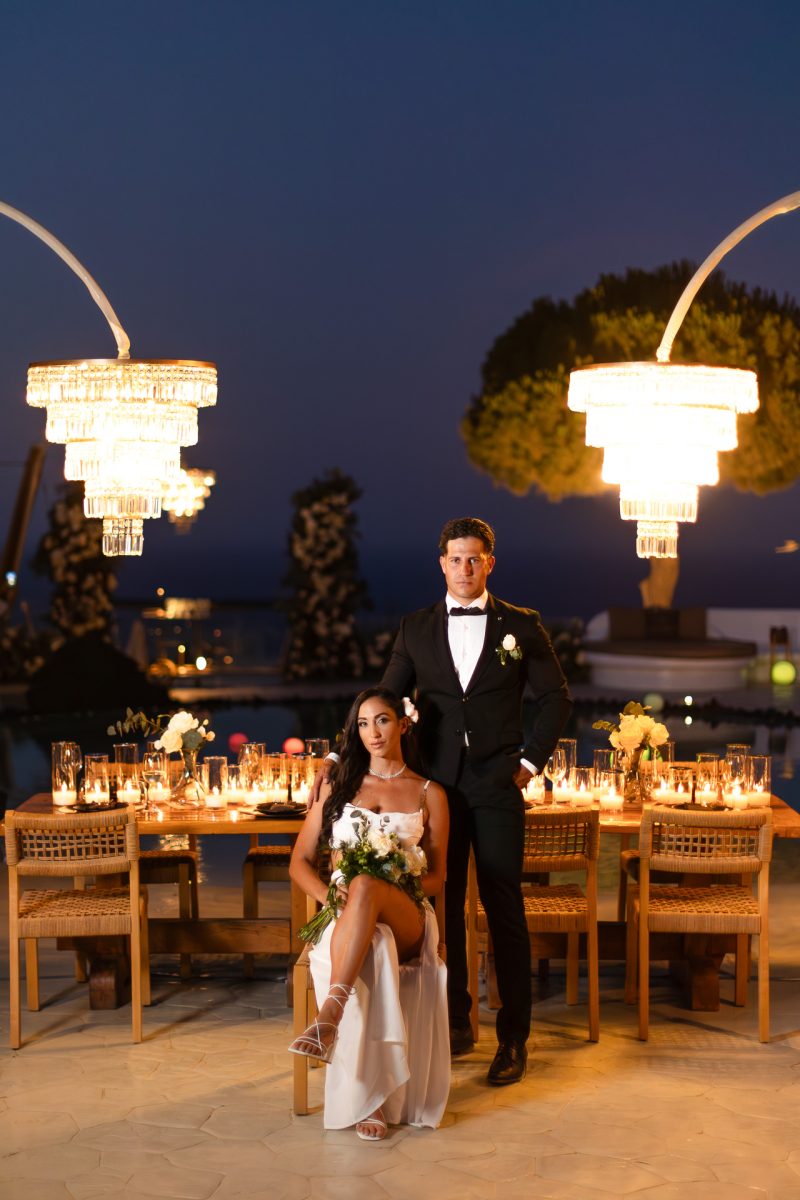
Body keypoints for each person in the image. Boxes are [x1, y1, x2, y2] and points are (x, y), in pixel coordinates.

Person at [381, 516, 572, 1085]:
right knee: (440, 905)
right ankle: (456, 1020)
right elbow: (386, 698)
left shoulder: (522, 625)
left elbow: (556, 699)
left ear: (490, 563)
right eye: (455, 558)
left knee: (503, 904)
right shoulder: (414, 628)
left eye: (475, 559)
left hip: (496, 784)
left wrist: (530, 763)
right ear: (441, 563)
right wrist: (352, 755)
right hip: (435, 786)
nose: (464, 568)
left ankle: (514, 1037)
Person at [289, 687, 450, 1141]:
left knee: (369, 891)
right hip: (345, 913)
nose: (372, 732)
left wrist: (397, 874)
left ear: (403, 723)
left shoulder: (429, 792)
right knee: (371, 936)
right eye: (362, 724)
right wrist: (329, 897)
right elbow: (299, 861)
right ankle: (373, 1102)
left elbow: (439, 877)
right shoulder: (338, 787)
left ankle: (328, 1018)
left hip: (407, 914)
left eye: (381, 720)